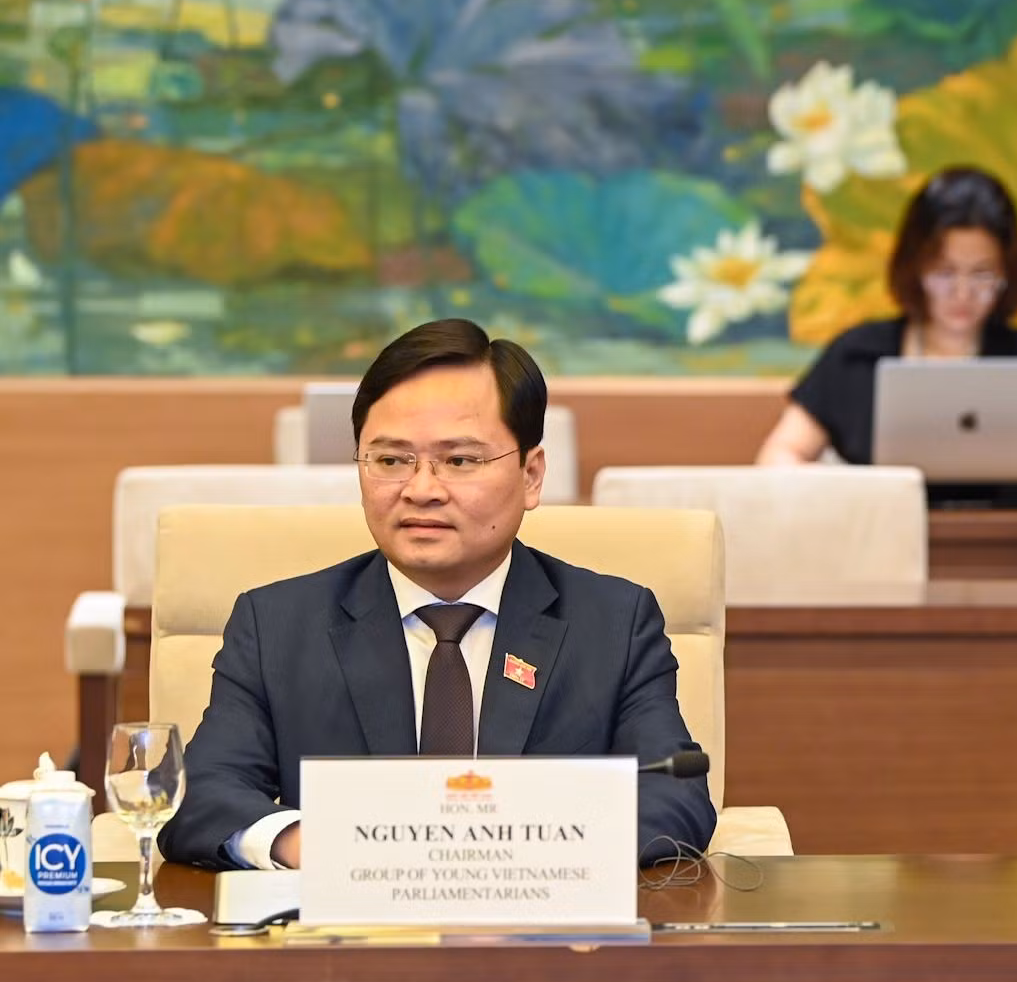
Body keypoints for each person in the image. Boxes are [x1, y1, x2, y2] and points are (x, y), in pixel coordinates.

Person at [157, 319, 717, 870]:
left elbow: (675, 798)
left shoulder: (613, 623)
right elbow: (201, 794)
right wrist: (320, 846)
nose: (421, 489)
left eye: (460, 461)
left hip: (538, 922)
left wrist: (503, 856)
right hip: (348, 923)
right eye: (391, 460)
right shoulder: (277, 625)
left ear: (531, 475)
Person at [756, 165, 1017, 503]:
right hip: (881, 539)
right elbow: (777, 457)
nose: (962, 293)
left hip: (1012, 541)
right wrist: (858, 485)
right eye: (944, 273)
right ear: (914, 268)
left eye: (982, 275)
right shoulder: (858, 355)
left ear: (1008, 273)